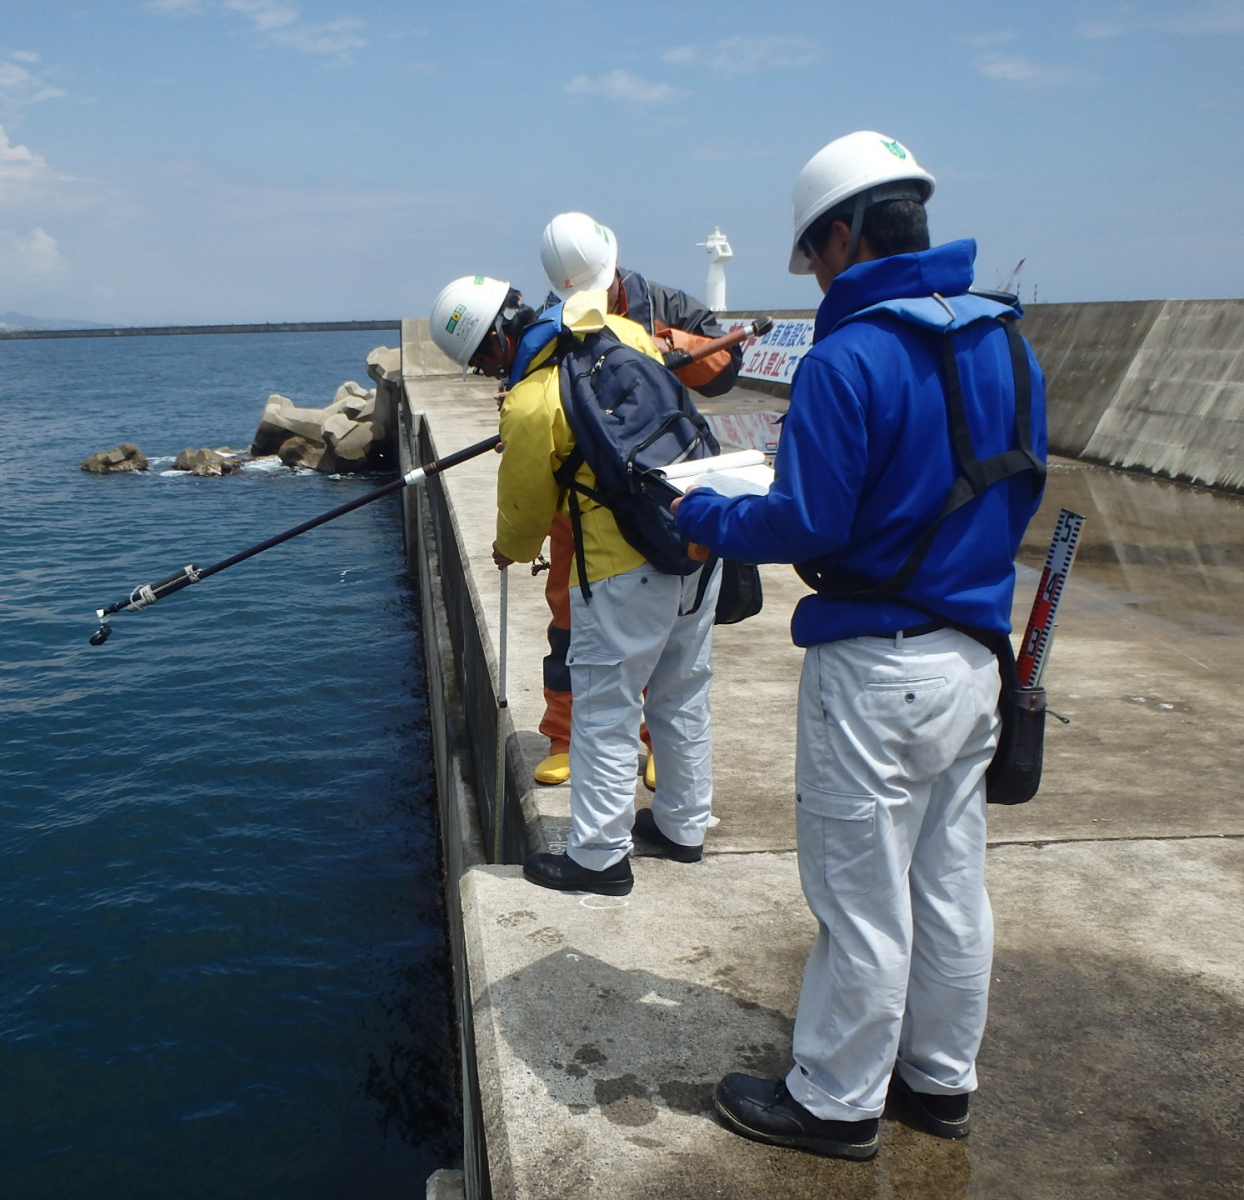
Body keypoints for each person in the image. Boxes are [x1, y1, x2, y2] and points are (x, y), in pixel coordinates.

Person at [673, 132, 1048, 1159]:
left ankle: (835, 1102)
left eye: (813, 256)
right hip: (976, 654)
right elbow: (1018, 485)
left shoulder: (848, 356)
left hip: (875, 666)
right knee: (948, 882)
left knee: (858, 898)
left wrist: (705, 518)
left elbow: (808, 525)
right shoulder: (1008, 341)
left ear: (840, 235)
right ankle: (939, 1081)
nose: (815, 276)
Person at [428, 275, 722, 894]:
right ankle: (682, 826)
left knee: (604, 712)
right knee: (682, 693)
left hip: (621, 570)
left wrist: (510, 550)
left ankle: (597, 858)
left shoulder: (534, 400)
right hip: (697, 542)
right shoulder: (620, 330)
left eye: (483, 367)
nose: (489, 378)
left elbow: (527, 504)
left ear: (492, 348)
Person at [530, 213, 744, 789]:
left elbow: (725, 369)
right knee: (566, 616)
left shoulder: (666, 304)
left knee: (666, 632)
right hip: (580, 496)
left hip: (659, 491)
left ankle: (652, 742)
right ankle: (564, 734)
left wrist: (666, 344)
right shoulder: (553, 318)